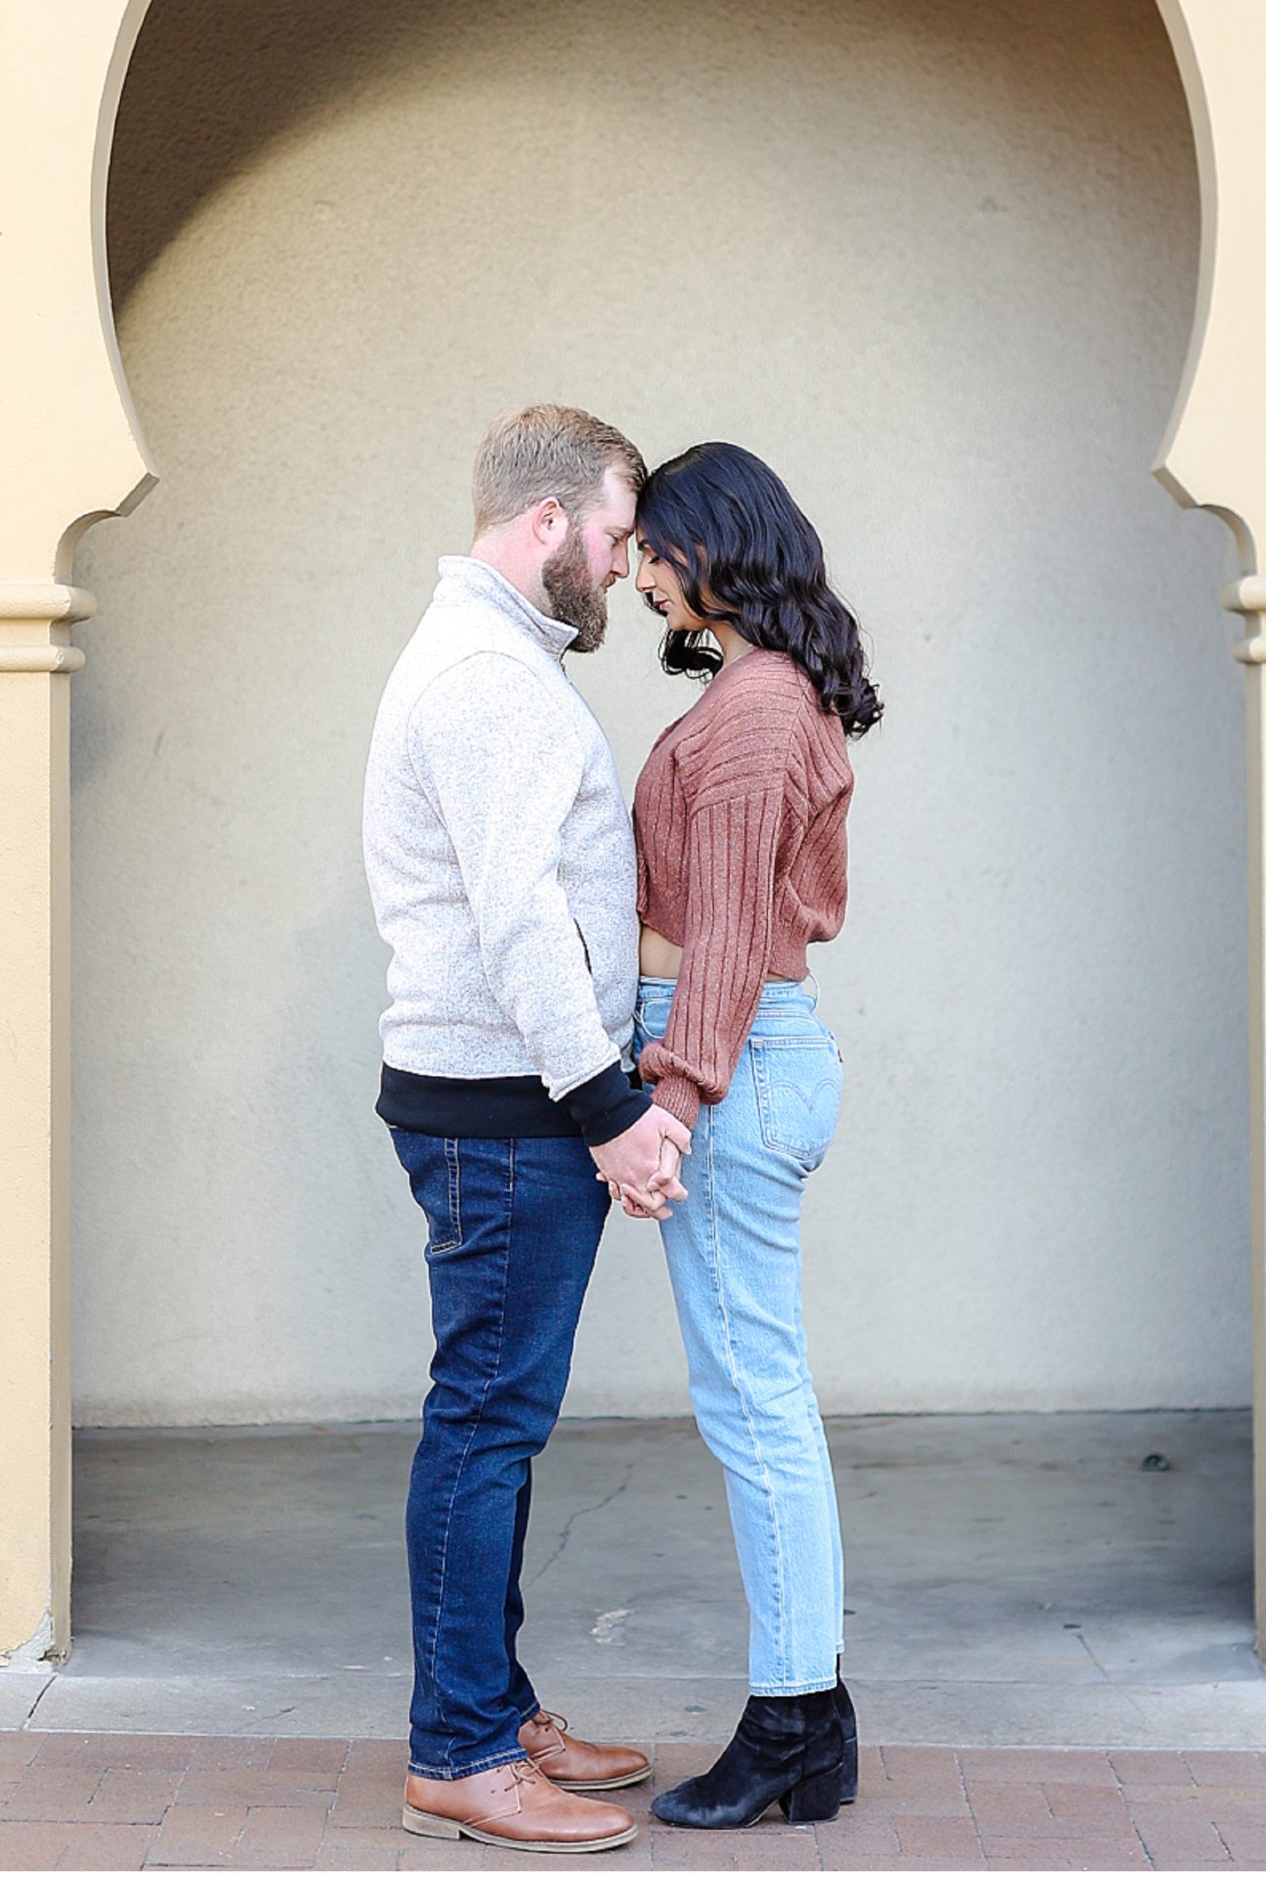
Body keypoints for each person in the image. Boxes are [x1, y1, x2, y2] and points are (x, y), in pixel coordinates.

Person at [363, 404, 694, 1856]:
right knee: (485, 1424)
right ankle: (461, 1752)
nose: (627, 569)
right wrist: (610, 1110)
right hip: (508, 1114)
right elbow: (516, 923)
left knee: (494, 1417)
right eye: (618, 536)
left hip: (503, 1105)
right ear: (547, 521)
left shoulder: (496, 659)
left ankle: (489, 1705)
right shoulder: (490, 679)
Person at [620, 441, 882, 1829]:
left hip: (729, 1062)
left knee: (755, 1410)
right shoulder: (756, 694)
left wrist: (671, 1095)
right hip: (744, 1056)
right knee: (755, 1401)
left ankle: (788, 1724)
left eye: (656, 546)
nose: (638, 568)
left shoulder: (759, 708)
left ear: (715, 545)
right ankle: (812, 1727)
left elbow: (723, 929)